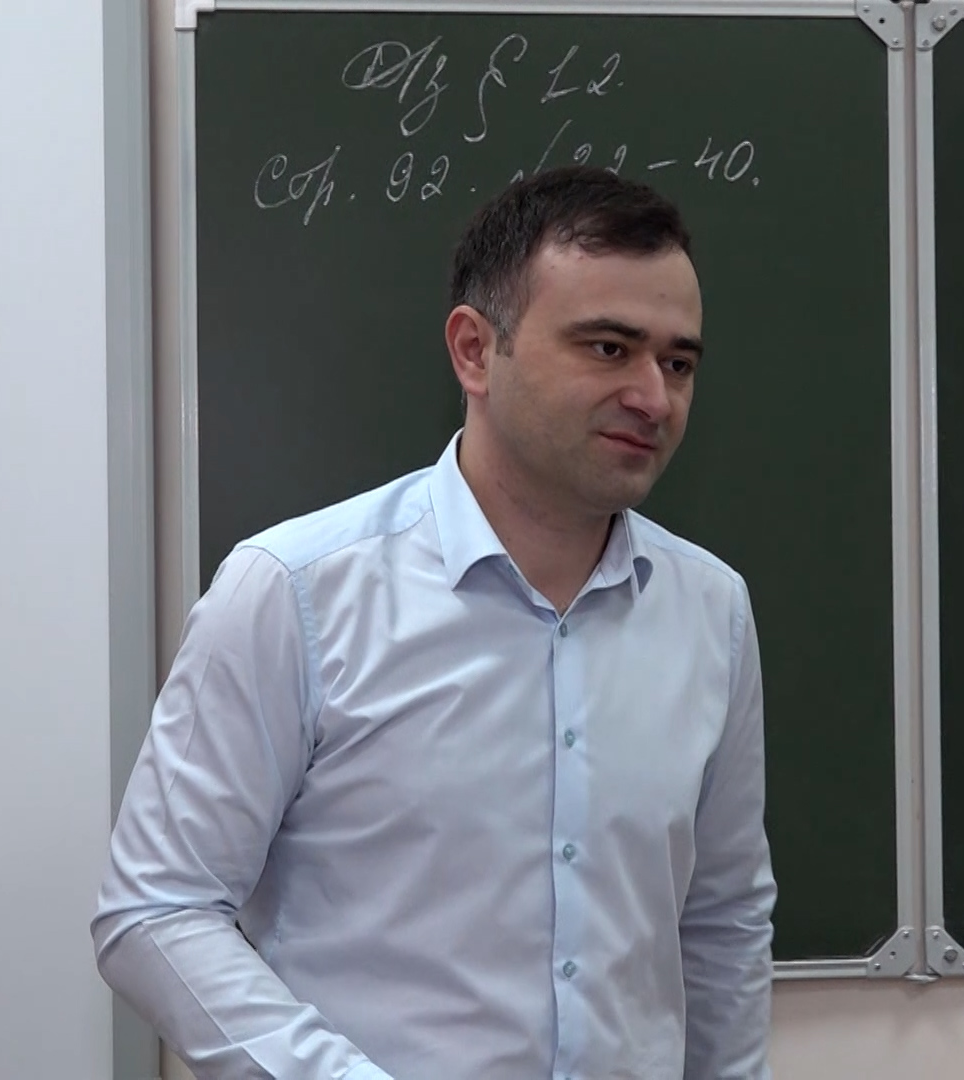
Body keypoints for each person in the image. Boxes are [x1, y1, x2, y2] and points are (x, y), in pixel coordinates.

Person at [92, 164, 776, 1080]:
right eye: (609, 348)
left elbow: (722, 921)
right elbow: (155, 908)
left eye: (678, 363)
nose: (654, 398)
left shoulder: (711, 611)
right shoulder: (296, 592)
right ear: (474, 350)